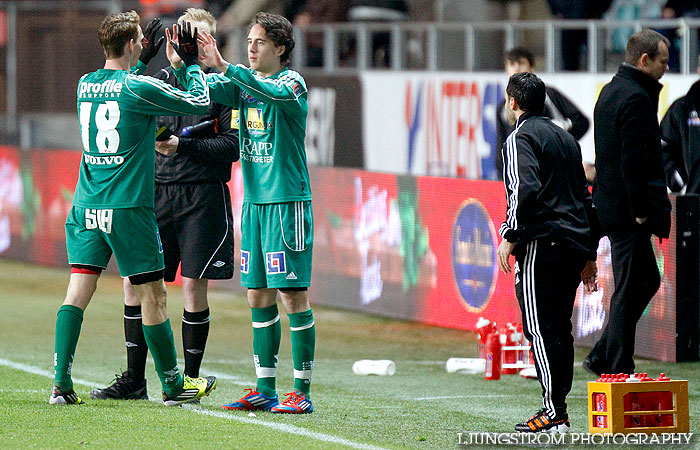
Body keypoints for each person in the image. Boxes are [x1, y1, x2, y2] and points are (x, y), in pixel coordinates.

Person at [50, 11, 216, 406]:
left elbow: (120, 86)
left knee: (78, 291)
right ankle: (174, 385)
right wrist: (190, 63)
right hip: (128, 208)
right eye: (141, 40)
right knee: (154, 295)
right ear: (128, 44)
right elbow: (199, 99)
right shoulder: (136, 88)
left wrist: (142, 62)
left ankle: (61, 384)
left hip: (87, 205)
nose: (146, 43)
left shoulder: (85, 83)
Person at [90, 8, 239, 401]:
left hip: (202, 196)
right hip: (157, 195)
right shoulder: (155, 82)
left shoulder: (223, 87)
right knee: (134, 283)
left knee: (194, 287)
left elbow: (233, 145)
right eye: (185, 36)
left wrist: (182, 144)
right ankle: (134, 380)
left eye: (200, 38)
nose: (190, 44)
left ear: (212, 42)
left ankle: (188, 381)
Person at [184, 12, 316, 414]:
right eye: (250, 41)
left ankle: (302, 390)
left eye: (260, 41)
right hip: (255, 205)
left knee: (292, 294)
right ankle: (264, 388)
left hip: (285, 203)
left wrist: (225, 66)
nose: (252, 47)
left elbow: (263, 89)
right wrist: (187, 63)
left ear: (281, 48)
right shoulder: (242, 84)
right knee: (257, 294)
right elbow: (204, 91)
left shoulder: (292, 84)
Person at [496, 71, 599, 433]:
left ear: (513, 102)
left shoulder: (519, 138)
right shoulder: (566, 139)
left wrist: (510, 234)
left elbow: (524, 190)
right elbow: (585, 200)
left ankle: (553, 411)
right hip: (572, 244)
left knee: (540, 329)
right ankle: (559, 410)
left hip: (543, 243)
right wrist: (589, 254)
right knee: (559, 329)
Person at [583, 29, 672, 377]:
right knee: (632, 284)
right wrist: (639, 211)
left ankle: (603, 353)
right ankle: (618, 365)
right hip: (627, 210)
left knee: (645, 279)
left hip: (609, 202)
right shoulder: (636, 98)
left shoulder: (611, 91)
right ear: (645, 60)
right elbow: (633, 161)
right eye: (663, 61)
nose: (667, 68)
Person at [495, 47, 590, 181]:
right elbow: (501, 145)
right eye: (512, 64)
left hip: (553, 173)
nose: (516, 68)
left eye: (521, 63)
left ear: (531, 66)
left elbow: (582, 122)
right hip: (522, 175)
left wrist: (561, 139)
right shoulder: (502, 108)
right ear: (506, 69)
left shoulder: (548, 95)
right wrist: (502, 180)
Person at [659, 55, 700, 194]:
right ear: (699, 70)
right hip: (694, 203)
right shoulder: (681, 109)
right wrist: (678, 178)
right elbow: (664, 148)